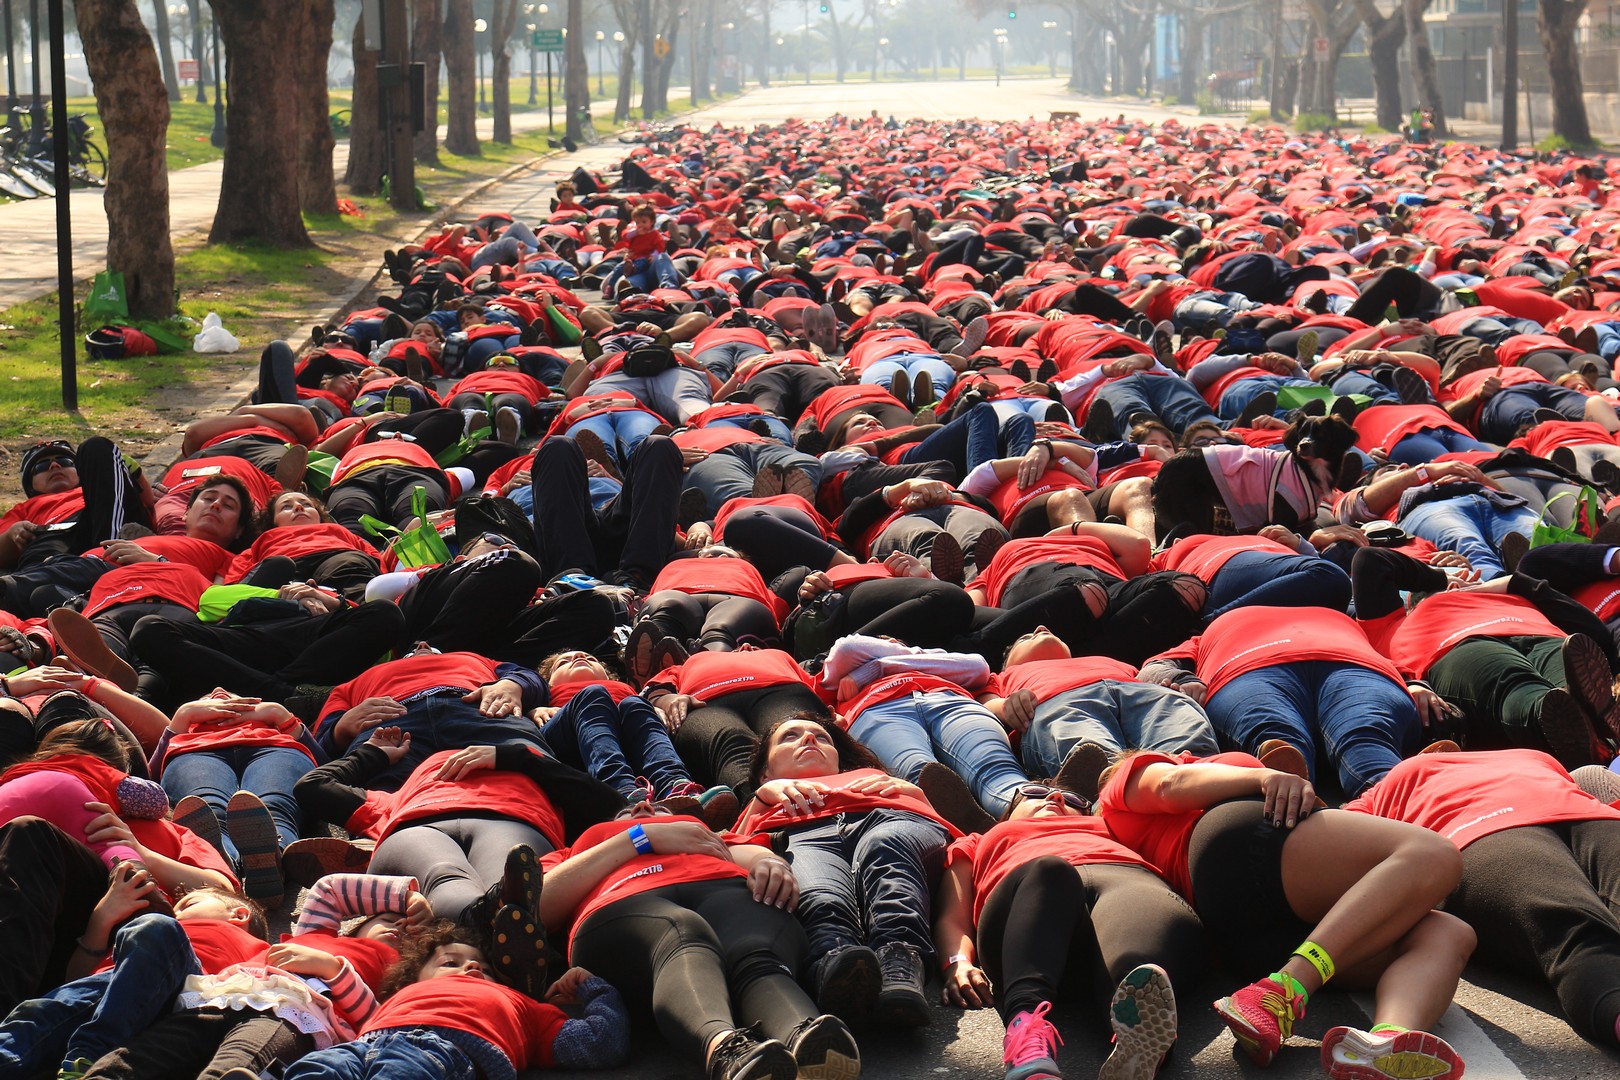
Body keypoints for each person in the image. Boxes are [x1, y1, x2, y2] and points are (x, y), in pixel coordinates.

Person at [1096, 750, 1473, 1078]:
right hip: (1235, 843)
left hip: (1244, 941)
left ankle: (1384, 1044)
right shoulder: (1126, 778)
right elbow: (1171, 782)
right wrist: (1266, 775)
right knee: (1434, 854)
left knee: (1448, 932)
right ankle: (1287, 988)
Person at [934, 783, 1203, 1080]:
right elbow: (952, 913)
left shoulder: (1113, 826)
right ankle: (1025, 1035)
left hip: (1125, 880)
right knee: (1051, 871)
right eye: (1033, 792)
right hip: (1028, 906)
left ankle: (1139, 1040)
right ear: (1006, 814)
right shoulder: (976, 841)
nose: (1055, 797)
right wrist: (956, 962)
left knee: (1138, 935)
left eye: (1074, 798)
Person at [736, 713, 954, 1028]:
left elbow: (940, 829)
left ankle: (901, 962)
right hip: (800, 833)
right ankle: (836, 966)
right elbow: (729, 851)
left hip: (887, 819)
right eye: (789, 737)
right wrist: (760, 800)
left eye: (822, 737)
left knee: (885, 846)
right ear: (765, 773)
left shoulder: (873, 779)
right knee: (818, 891)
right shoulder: (765, 800)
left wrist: (910, 791)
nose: (810, 739)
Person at [279, 920, 631, 1080]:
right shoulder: (394, 1000)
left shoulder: (523, 1006)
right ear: (412, 979)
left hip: (443, 1050)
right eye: (450, 963)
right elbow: (351, 999)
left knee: (401, 1072)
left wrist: (593, 988)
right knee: (317, 1068)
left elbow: (601, 1042)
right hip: (364, 1043)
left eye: (483, 967)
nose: (472, 965)